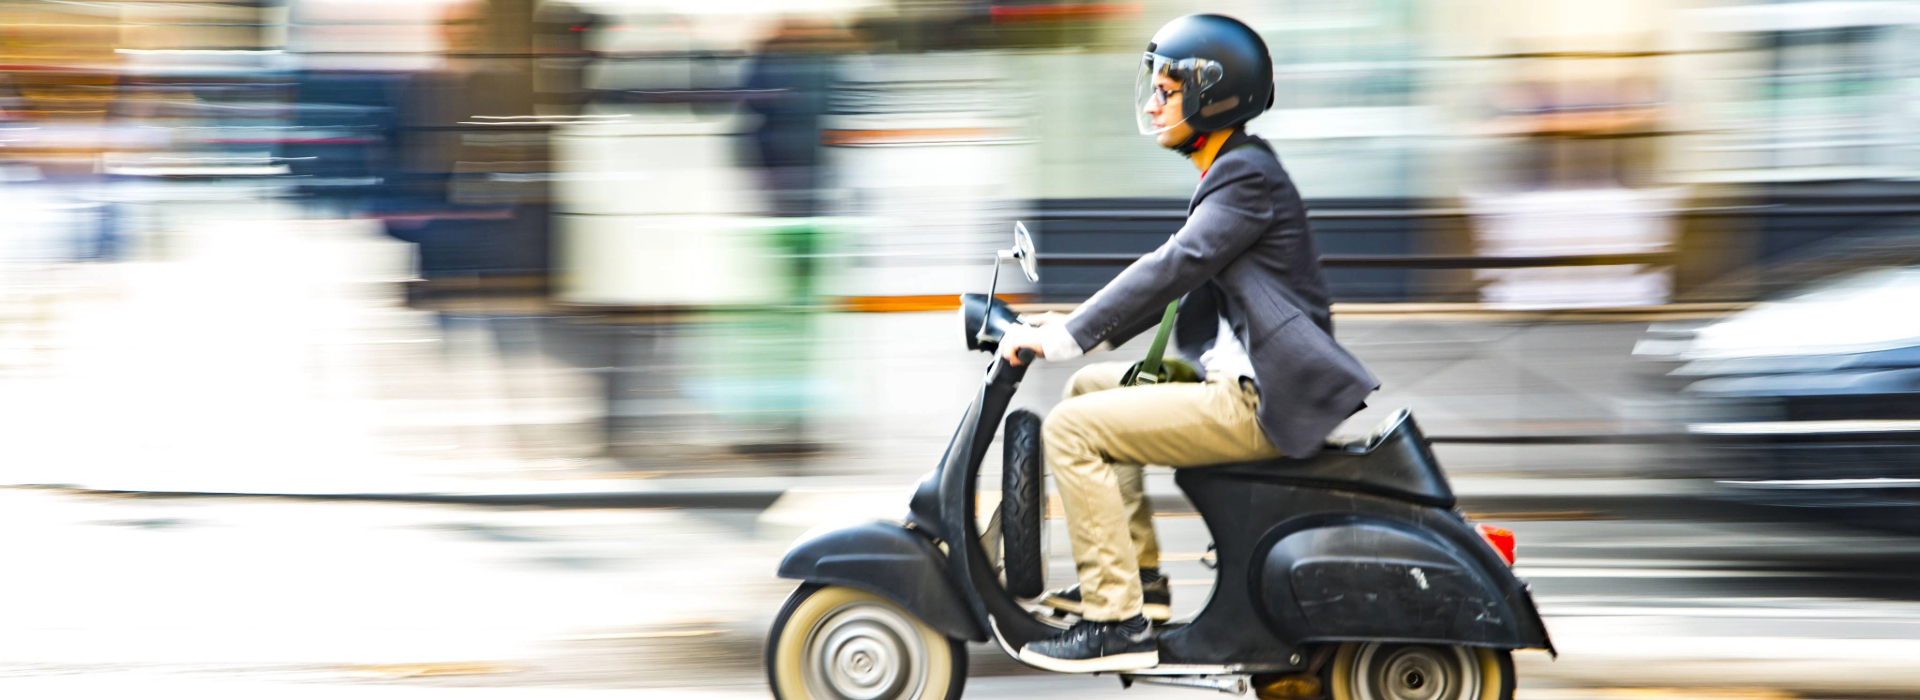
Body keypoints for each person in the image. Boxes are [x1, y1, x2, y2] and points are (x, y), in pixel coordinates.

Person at [996, 13, 1379, 673]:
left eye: (1168, 89)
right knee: (1089, 390)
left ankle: (1116, 622)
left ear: (1215, 96)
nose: (1152, 102)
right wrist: (1069, 324)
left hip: (1258, 399)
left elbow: (1174, 264)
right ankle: (1141, 582)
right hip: (1233, 381)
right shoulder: (1234, 169)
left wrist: (1071, 335)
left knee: (1072, 430)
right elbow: (1179, 278)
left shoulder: (1246, 176)